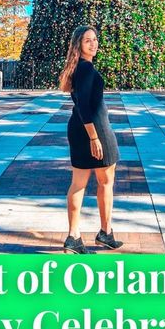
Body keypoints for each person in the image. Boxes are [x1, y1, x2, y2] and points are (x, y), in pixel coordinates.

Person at [59, 25, 123, 254]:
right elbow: (85, 107)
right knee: (105, 181)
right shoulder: (85, 69)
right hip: (94, 130)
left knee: (79, 183)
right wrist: (94, 137)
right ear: (78, 45)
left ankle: (77, 236)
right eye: (87, 40)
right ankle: (101, 232)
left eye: (95, 39)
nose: (93, 44)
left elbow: (82, 105)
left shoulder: (78, 68)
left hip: (80, 128)